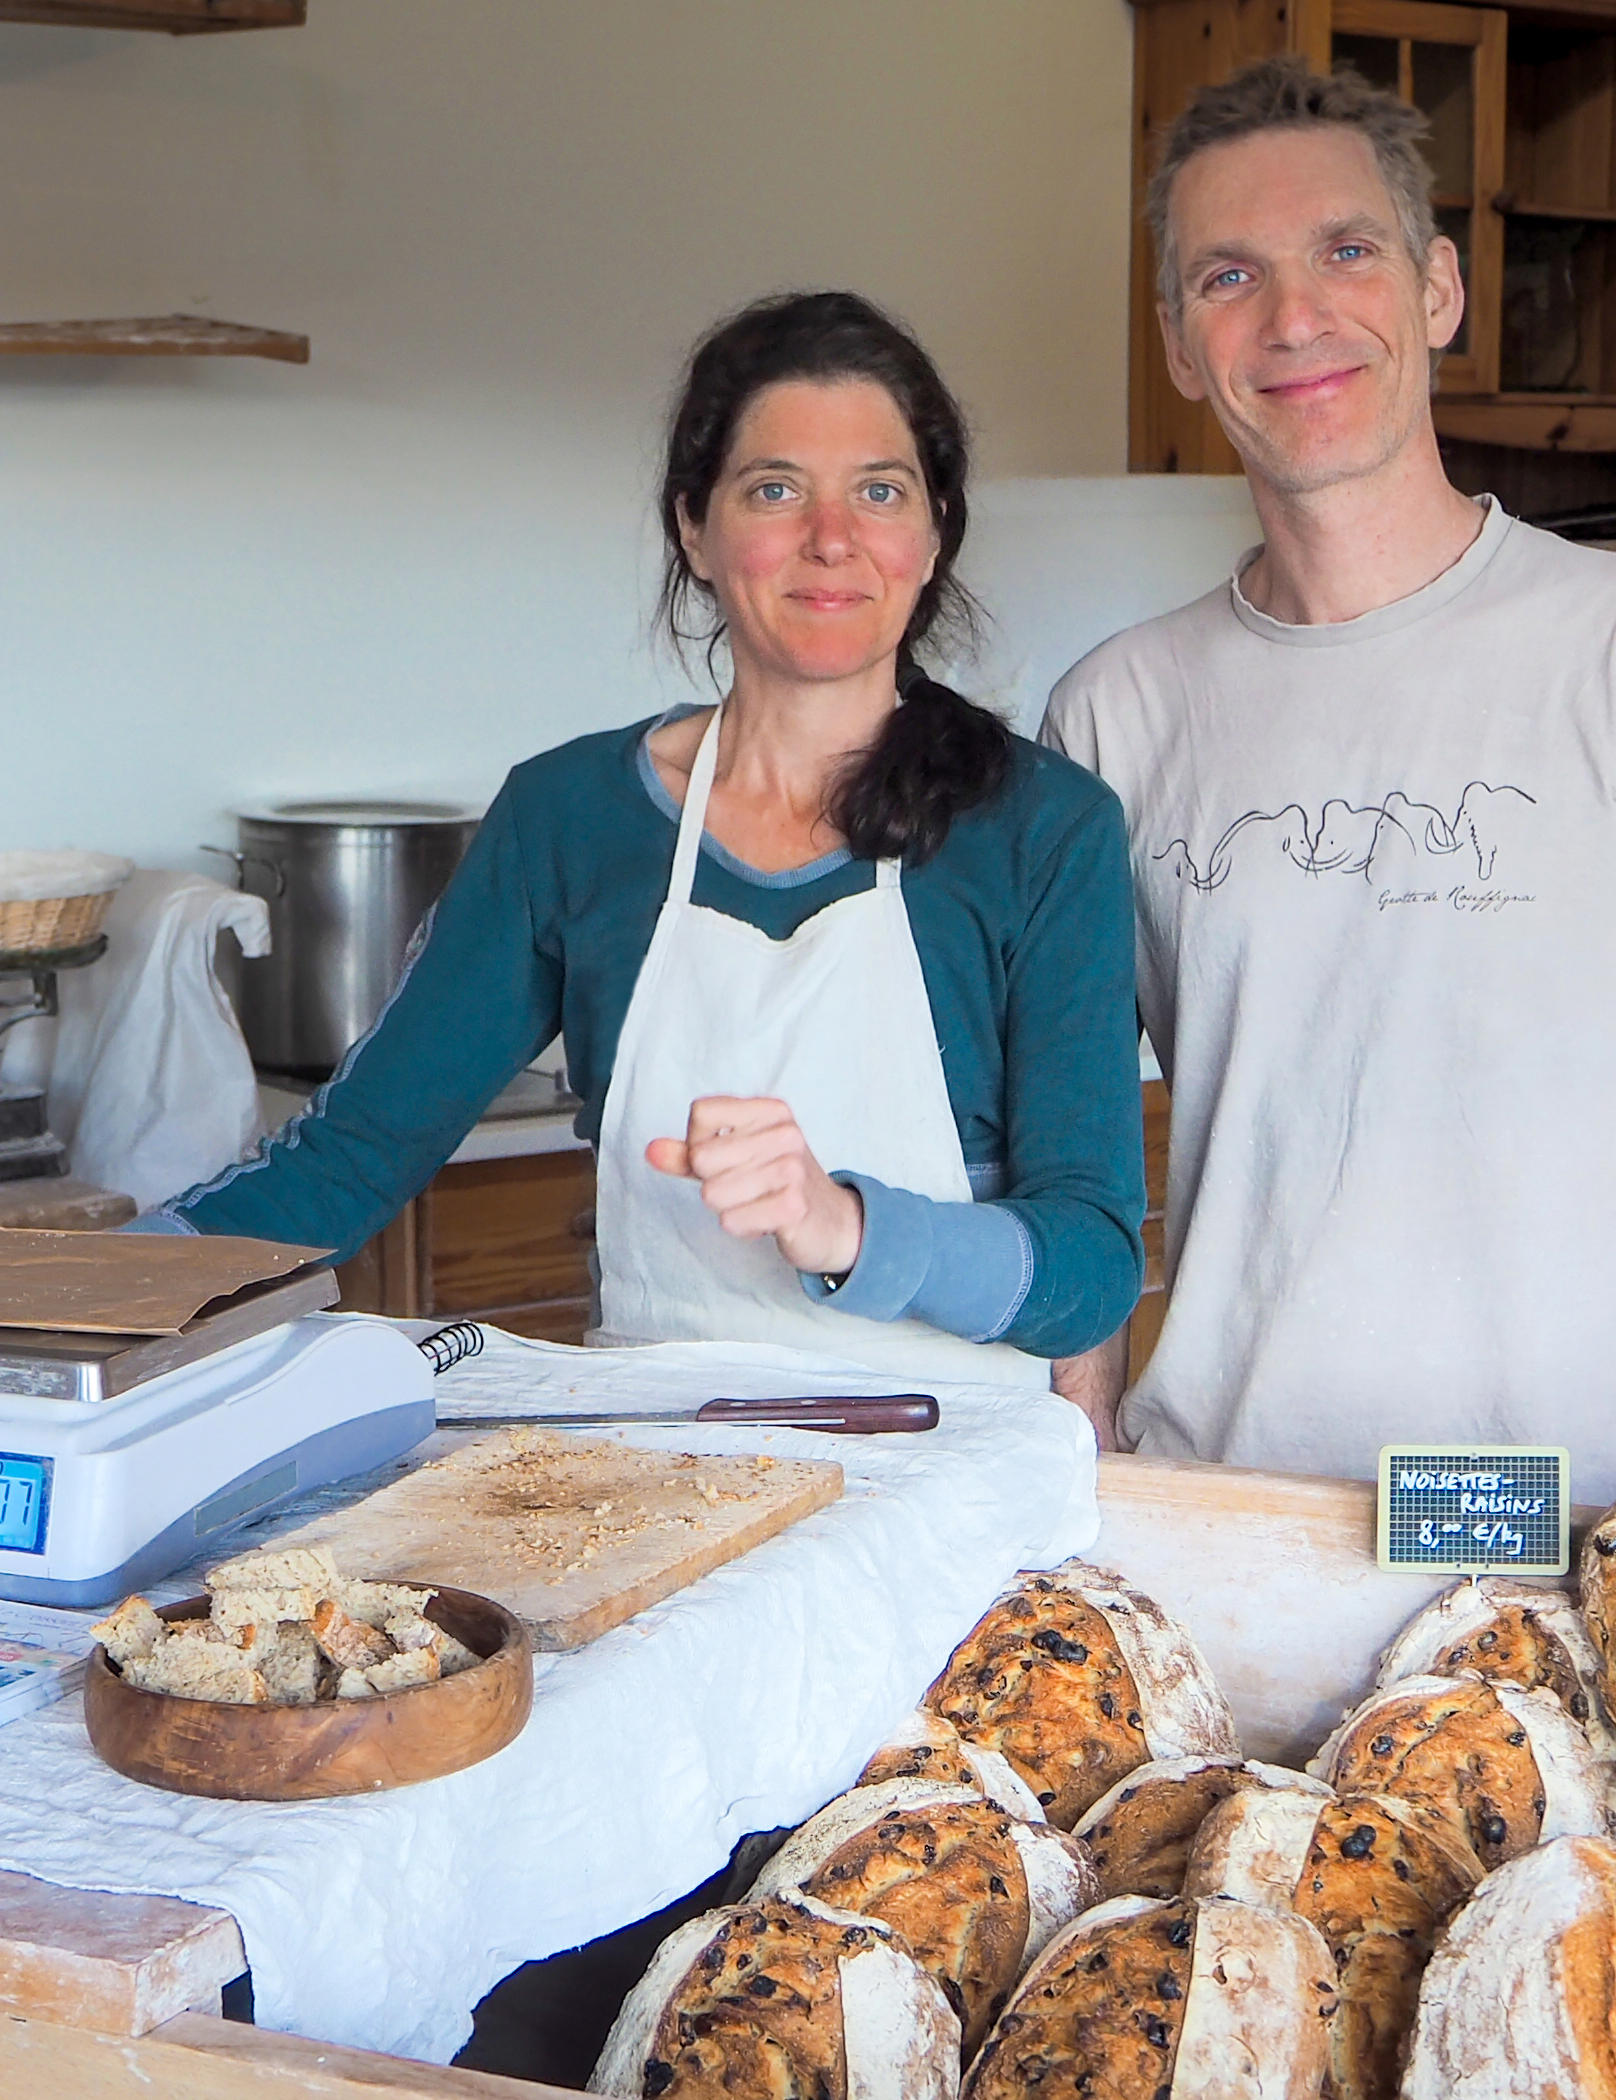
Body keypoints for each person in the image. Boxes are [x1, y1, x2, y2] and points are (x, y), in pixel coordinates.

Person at [1043, 58, 1616, 1496]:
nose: (1294, 318)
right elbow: (1073, 1146)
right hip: (1222, 1499)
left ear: (1438, 290)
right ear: (1174, 339)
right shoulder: (1112, 714)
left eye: (1347, 251)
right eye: (1228, 276)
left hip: (1565, 1508)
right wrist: (1083, 1462)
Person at [159, 292, 1145, 1385]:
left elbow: (1090, 1266)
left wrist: (847, 1226)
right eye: (776, 490)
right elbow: (350, 1160)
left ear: (933, 530)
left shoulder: (1046, 831)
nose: (833, 540)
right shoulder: (569, 817)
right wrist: (69, 1296)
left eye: (880, 490)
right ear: (696, 526)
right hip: (643, 1483)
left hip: (955, 1492)